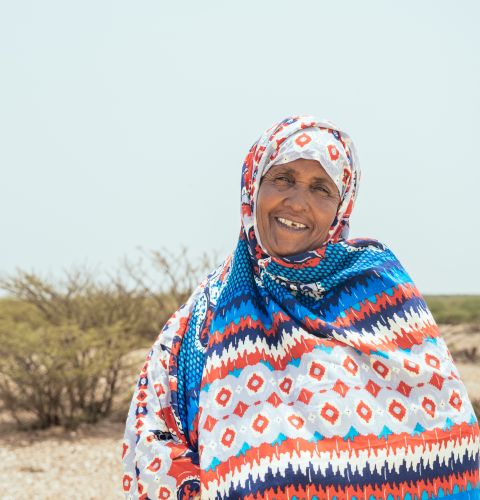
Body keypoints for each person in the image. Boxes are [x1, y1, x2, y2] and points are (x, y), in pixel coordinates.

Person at [122, 116, 480, 500]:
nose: (298, 202)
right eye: (284, 179)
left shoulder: (380, 293)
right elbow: (153, 441)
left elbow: (450, 439)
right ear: (253, 186)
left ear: (341, 205)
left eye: (321, 188)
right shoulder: (196, 325)